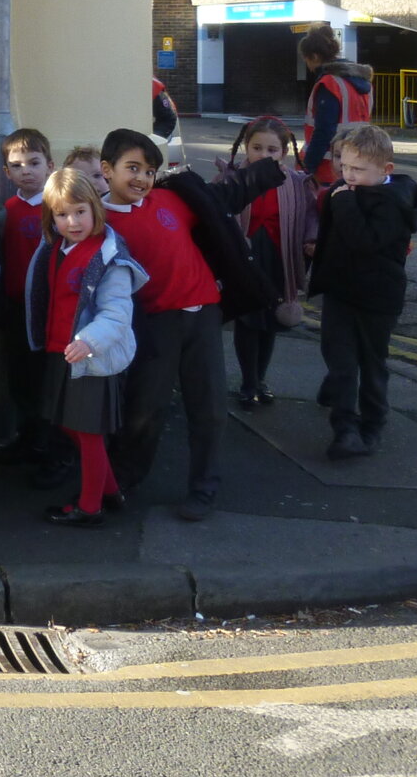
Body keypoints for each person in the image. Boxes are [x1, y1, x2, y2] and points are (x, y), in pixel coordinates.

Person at [100, 128, 282, 522]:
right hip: (154, 323)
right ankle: (122, 480)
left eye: (149, 171)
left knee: (210, 406)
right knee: (146, 407)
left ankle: (203, 488)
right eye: (132, 168)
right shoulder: (96, 221)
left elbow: (223, 199)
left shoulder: (169, 199)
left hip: (204, 314)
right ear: (106, 170)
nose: (142, 179)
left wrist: (265, 170)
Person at [26, 169, 148, 528]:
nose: (72, 221)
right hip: (62, 353)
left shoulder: (109, 257)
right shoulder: (57, 248)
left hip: (91, 359)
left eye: (80, 211)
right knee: (72, 428)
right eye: (62, 214)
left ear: (95, 208)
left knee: (89, 435)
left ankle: (90, 507)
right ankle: (109, 492)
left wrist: (87, 341)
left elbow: (117, 313)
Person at [310, 124, 417, 459]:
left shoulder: (392, 202)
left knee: (372, 364)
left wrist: (343, 202)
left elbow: (364, 241)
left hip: (377, 298)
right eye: (344, 167)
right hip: (341, 292)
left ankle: (372, 425)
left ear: (386, 170)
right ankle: (345, 429)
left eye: (358, 169)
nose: (348, 175)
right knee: (341, 361)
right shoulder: (348, 191)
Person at [214, 117, 318, 409]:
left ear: (283, 153)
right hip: (244, 258)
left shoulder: (296, 183)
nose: (263, 154)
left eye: (272, 149)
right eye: (257, 147)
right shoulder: (231, 178)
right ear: (247, 147)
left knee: (270, 321)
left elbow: (311, 215)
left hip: (276, 257)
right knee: (248, 320)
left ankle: (260, 379)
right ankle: (248, 382)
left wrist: (311, 239)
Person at [0, 128, 56, 477]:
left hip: (50, 314)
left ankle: (48, 448)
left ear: (50, 165)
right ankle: (26, 440)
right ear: (7, 173)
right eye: (17, 165)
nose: (26, 170)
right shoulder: (8, 210)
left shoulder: (58, 208)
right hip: (16, 310)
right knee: (20, 380)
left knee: (47, 383)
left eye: (34, 162)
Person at [297, 24, 375, 186]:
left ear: (315, 56)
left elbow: (324, 131)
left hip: (327, 170)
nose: (308, 66)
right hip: (356, 166)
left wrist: (307, 168)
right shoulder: (363, 83)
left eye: (306, 60)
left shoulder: (329, 84)